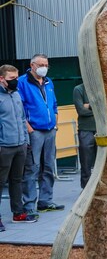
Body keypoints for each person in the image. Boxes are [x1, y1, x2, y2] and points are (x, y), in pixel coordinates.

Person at [18, 54, 64, 217]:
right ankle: (29, 204)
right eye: (41, 64)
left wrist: (55, 122)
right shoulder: (22, 82)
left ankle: (45, 201)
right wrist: (29, 129)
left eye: (46, 64)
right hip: (35, 131)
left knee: (49, 166)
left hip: (50, 130)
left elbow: (54, 104)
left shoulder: (48, 82)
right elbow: (20, 108)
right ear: (32, 65)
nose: (44, 67)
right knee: (32, 168)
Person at [0, 64, 37, 231]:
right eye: (11, 79)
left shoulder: (16, 95)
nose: (15, 81)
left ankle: (18, 213)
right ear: (2, 79)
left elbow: (22, 119)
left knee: (17, 180)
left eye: (16, 77)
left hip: (20, 145)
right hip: (4, 147)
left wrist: (26, 141)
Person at [73, 83, 96, 189]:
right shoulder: (78, 89)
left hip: (103, 129)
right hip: (86, 129)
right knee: (86, 162)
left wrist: (88, 105)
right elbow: (81, 110)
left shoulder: (102, 87)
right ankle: (86, 188)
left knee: (105, 161)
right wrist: (97, 108)